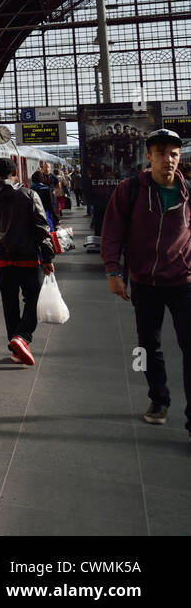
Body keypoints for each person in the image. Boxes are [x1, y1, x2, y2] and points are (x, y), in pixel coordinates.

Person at [102, 129, 191, 437]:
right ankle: (159, 399)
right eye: (162, 153)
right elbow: (112, 231)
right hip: (145, 281)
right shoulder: (131, 191)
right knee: (149, 345)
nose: (169, 159)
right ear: (149, 156)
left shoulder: (187, 192)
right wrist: (113, 271)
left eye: (174, 154)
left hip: (184, 281)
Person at [0, 158, 56, 366]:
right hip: (28, 258)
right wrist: (47, 257)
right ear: (15, 174)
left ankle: (15, 347)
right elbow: (41, 227)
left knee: (9, 303)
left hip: (2, 261)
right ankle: (22, 337)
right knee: (33, 300)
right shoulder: (29, 195)